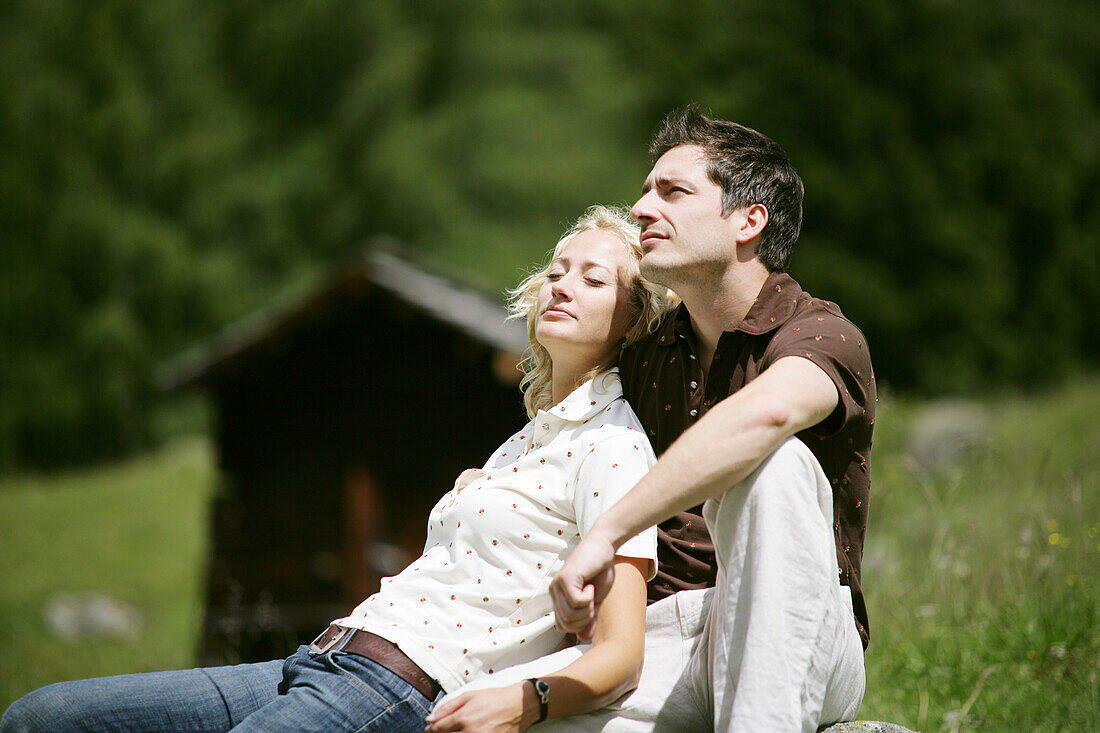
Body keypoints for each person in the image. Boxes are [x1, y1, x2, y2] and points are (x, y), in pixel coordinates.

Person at [1, 205, 674, 733]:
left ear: (632, 320)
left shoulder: (612, 446)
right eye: (558, 269)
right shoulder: (523, 441)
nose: (563, 284)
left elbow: (621, 651)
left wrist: (524, 702)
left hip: (395, 687)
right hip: (323, 656)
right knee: (42, 716)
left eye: (594, 278)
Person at [540, 106, 876, 732]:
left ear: (749, 221)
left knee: (771, 463)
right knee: (510, 713)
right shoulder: (644, 358)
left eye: (673, 191)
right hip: (661, 638)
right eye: (644, 190)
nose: (641, 209)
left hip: (799, 627)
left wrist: (607, 533)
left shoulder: (821, 334)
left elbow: (769, 413)